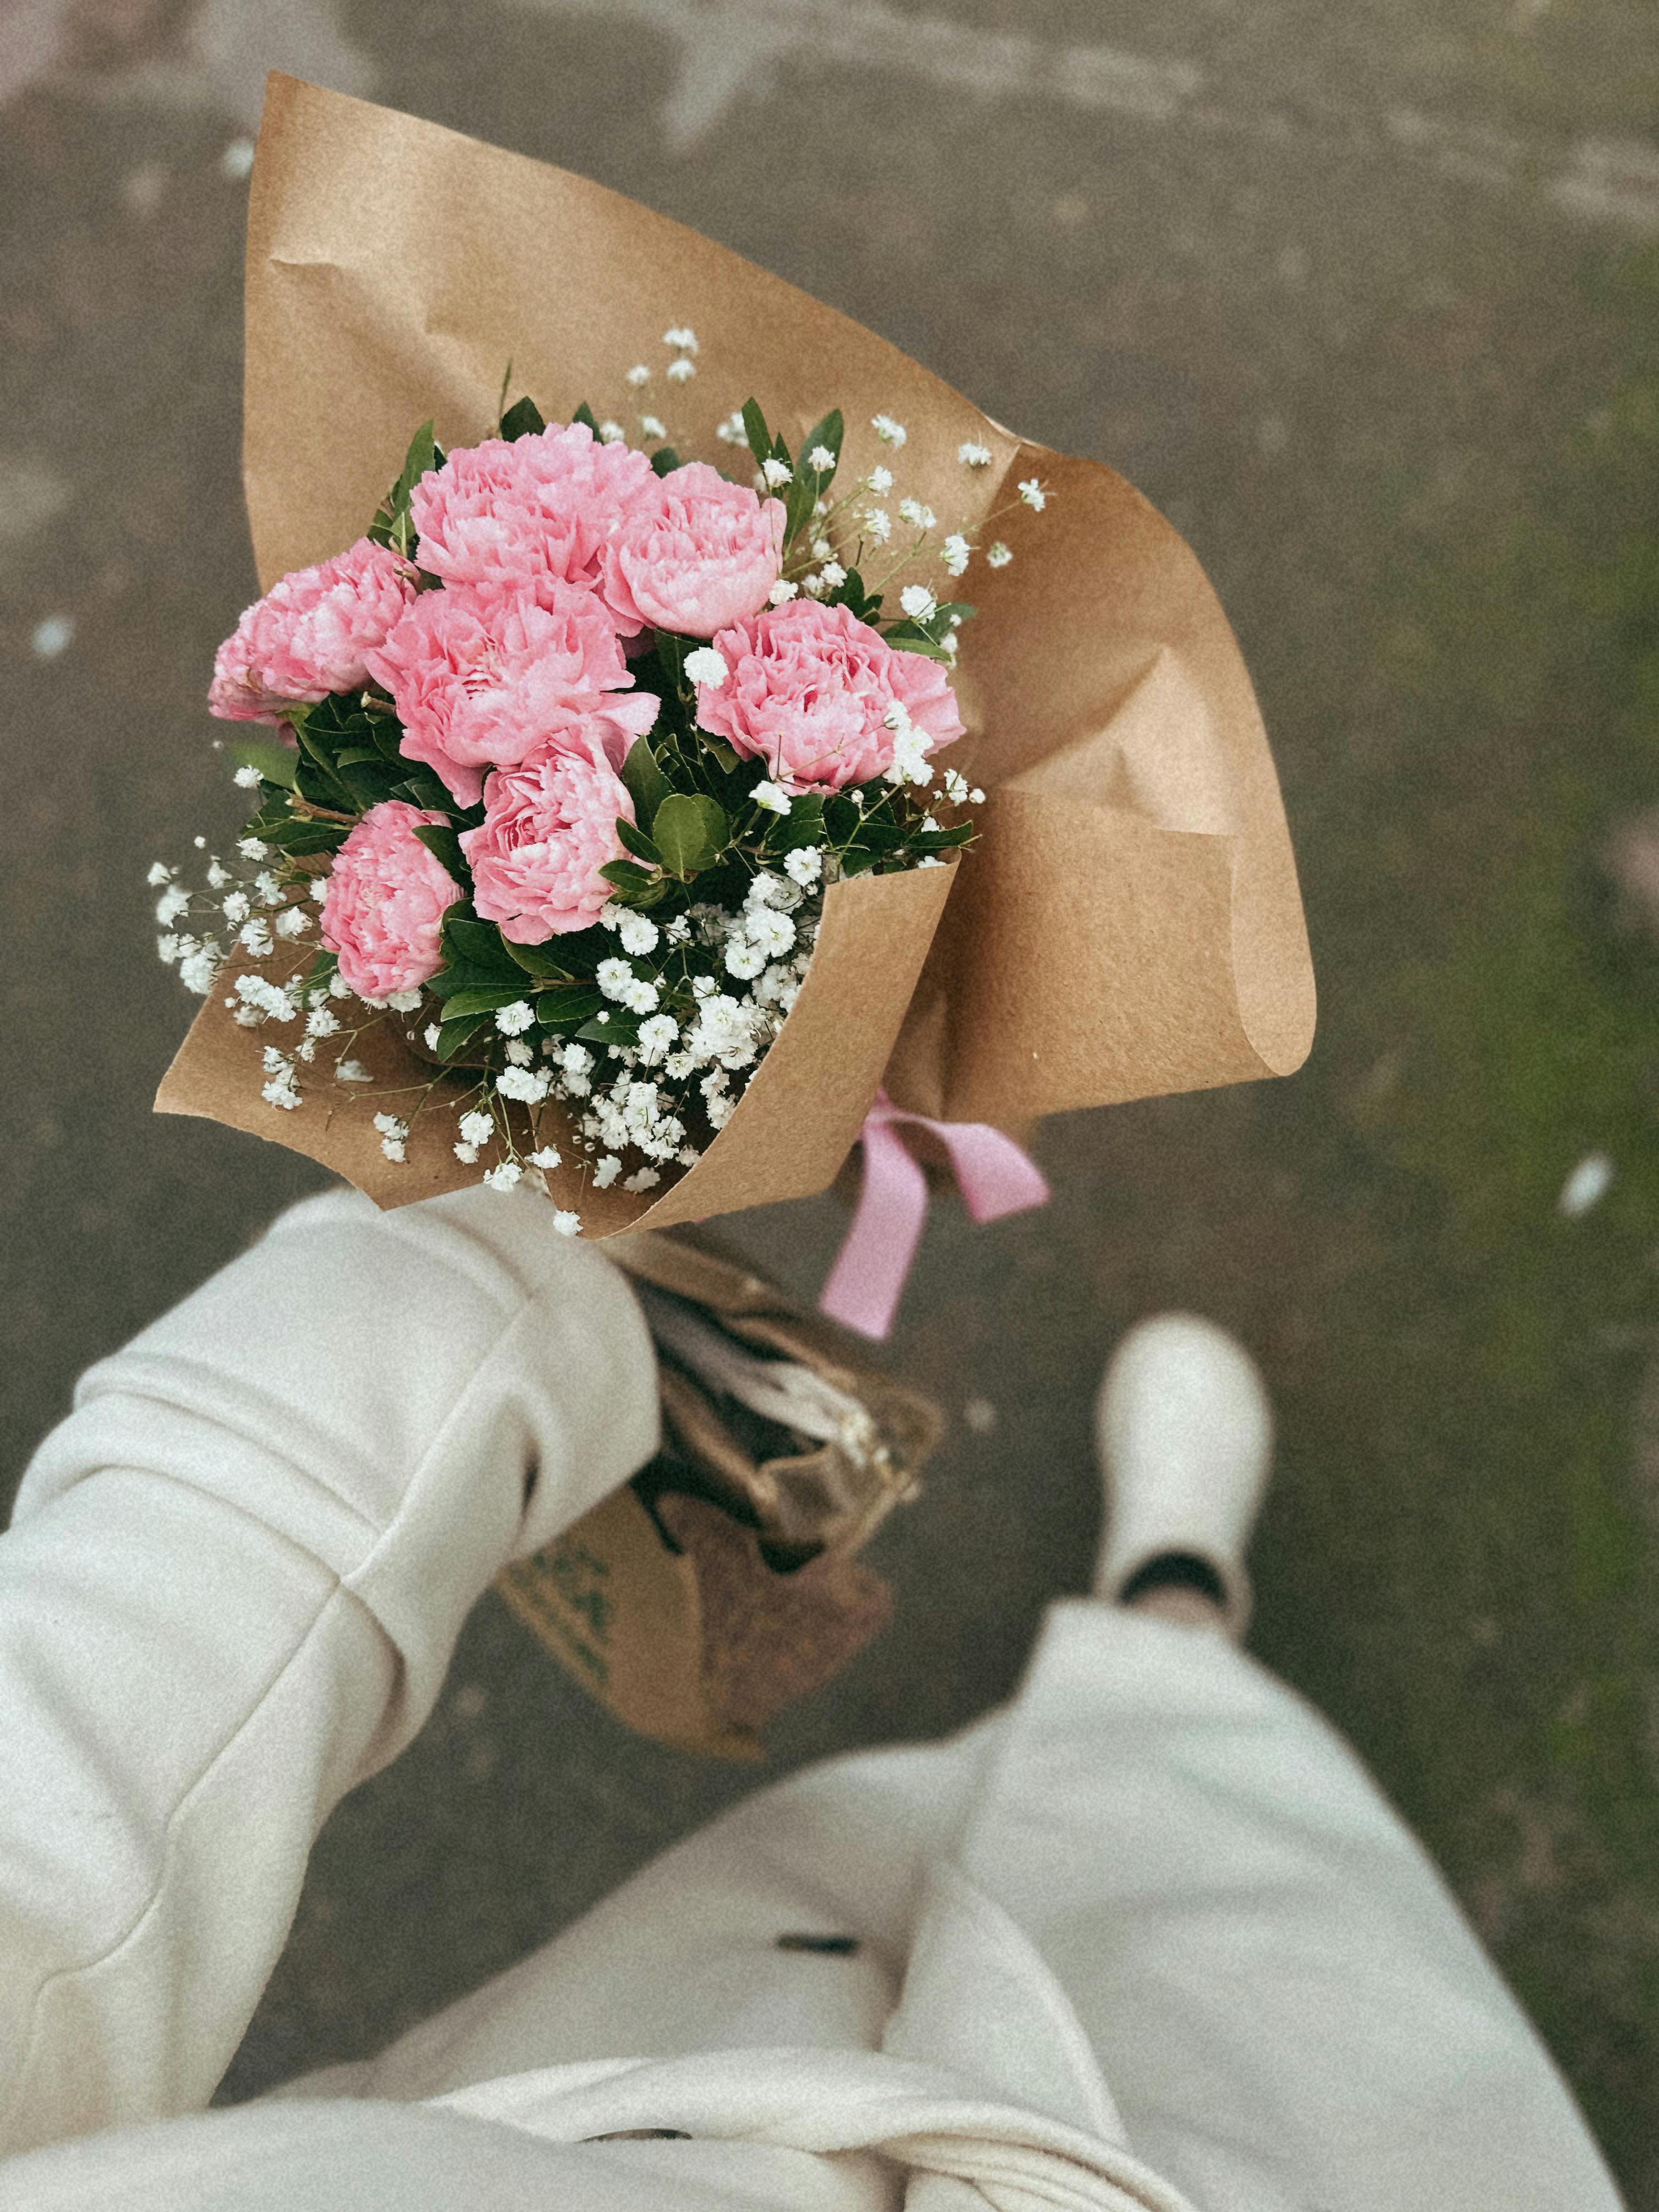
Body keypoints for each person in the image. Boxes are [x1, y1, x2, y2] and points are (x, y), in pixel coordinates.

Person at [0, 1184, 1623, 2210]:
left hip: (675, 2072)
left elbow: (70, 1822)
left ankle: (1161, 1638)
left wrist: (525, 1260)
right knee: (1266, 1935)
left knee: (934, 1866)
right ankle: (1177, 1621)